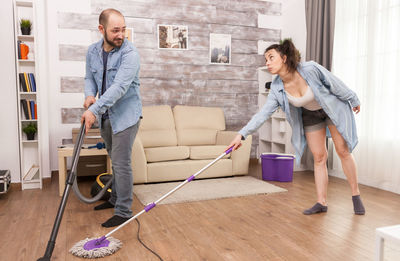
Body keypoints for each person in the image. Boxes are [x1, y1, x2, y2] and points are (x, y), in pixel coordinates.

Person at [228, 39, 365, 215]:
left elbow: (334, 83)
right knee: (319, 157)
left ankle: (355, 195)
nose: (267, 63)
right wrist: (242, 134)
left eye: (271, 58)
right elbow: (262, 115)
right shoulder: (277, 88)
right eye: (266, 60)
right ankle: (321, 202)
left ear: (284, 58)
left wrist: (353, 98)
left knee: (342, 151)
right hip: (309, 115)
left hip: (331, 108)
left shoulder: (309, 69)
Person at [81, 8, 142, 227]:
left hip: (126, 115)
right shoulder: (92, 52)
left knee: (121, 163)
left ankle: (124, 211)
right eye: (115, 30)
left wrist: (93, 110)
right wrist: (89, 94)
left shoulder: (130, 53)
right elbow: (89, 77)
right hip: (106, 115)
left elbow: (119, 88)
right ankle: (115, 199)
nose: (121, 35)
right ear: (101, 29)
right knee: (114, 161)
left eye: (123, 29)